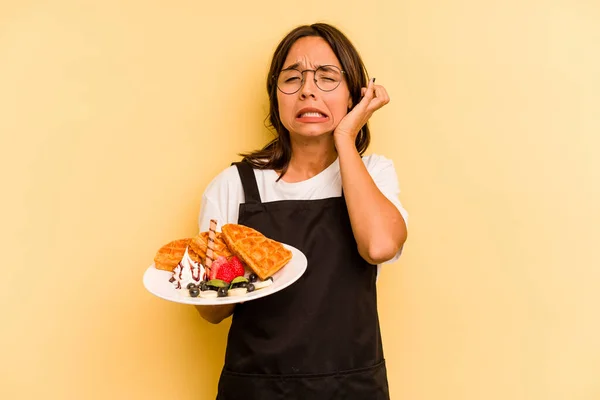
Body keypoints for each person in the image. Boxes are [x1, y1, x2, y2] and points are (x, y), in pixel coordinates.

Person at [195, 22, 408, 400]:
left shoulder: (374, 174)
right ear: (276, 95)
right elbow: (211, 312)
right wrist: (226, 272)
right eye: (292, 78)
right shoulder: (233, 185)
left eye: (327, 77)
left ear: (354, 94)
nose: (308, 89)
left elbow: (379, 246)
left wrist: (345, 138)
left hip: (351, 388)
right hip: (254, 389)